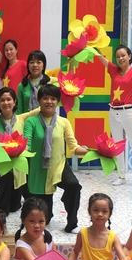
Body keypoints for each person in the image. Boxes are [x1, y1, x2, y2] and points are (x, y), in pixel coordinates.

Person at [23, 84, 89, 233]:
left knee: (74, 186)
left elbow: (73, 146)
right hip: (38, 169)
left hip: (59, 166)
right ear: (39, 100)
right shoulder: (31, 122)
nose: (49, 102)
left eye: (53, 99)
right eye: (45, 98)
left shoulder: (63, 122)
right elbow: (26, 143)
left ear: (58, 102)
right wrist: (18, 151)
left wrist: (88, 151)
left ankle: (72, 223)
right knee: (44, 217)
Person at [96, 45, 132, 184]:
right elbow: (101, 58)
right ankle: (121, 176)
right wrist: (93, 45)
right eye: (118, 56)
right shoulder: (113, 70)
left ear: (129, 56)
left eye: (123, 55)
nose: (120, 58)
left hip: (127, 112)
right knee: (117, 145)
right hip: (113, 111)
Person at [0, 87, 38, 213]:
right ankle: (1, 205)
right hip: (0, 164)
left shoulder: (22, 119)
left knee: (15, 206)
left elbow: (40, 109)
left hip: (18, 163)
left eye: (9, 99)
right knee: (4, 199)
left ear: (14, 102)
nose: (6, 102)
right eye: (2, 100)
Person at [68, 193, 132, 260]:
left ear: (110, 214)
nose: (100, 214)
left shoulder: (113, 237)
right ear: (89, 211)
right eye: (96, 210)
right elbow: (75, 252)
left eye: (104, 211)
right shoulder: (82, 233)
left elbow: (123, 258)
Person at [16, 49, 51, 114]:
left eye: (38, 62)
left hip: (45, 119)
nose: (35, 65)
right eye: (32, 62)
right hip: (27, 119)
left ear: (43, 65)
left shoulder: (49, 84)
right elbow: (19, 111)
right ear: (28, 65)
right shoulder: (22, 85)